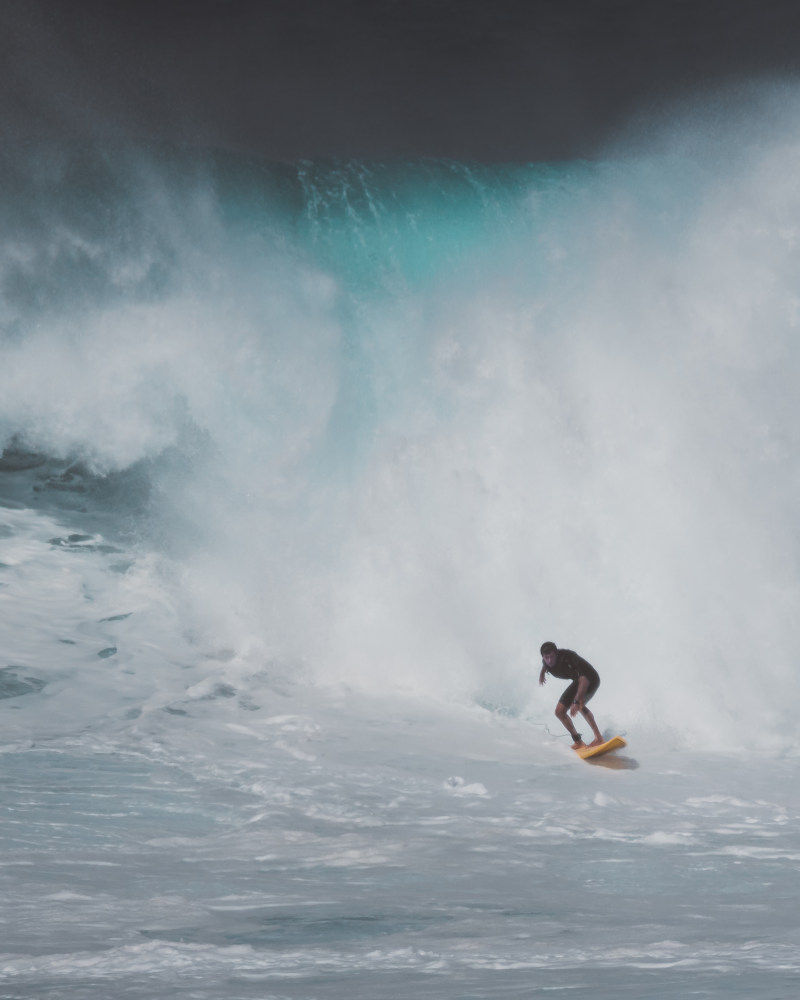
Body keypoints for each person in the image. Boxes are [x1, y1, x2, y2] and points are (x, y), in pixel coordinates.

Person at [538, 641, 604, 749]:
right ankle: (578, 742)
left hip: (590, 679)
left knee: (580, 705)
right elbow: (545, 665)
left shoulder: (568, 657)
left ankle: (599, 738)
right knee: (559, 712)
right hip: (578, 681)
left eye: (552, 657)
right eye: (546, 657)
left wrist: (576, 701)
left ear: (557, 653)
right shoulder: (546, 661)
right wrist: (542, 674)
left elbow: (584, 680)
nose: (550, 660)